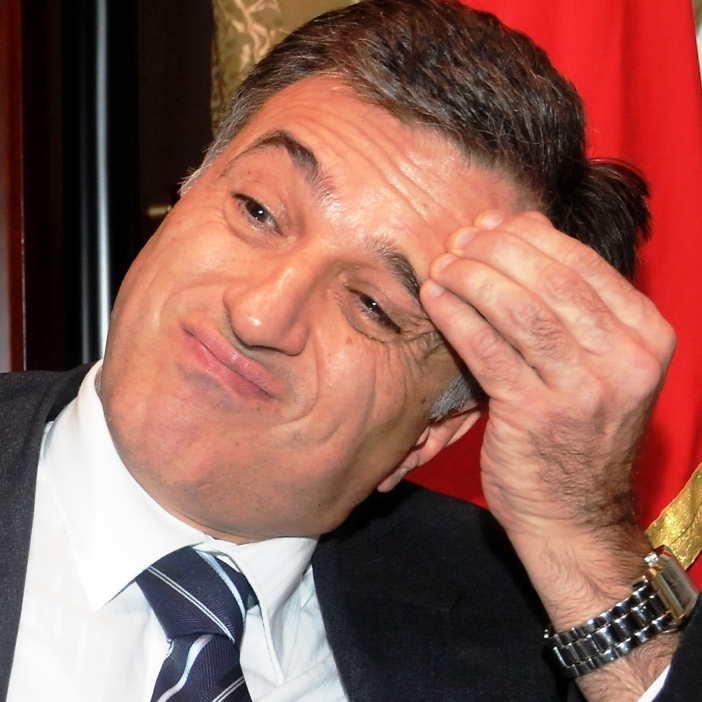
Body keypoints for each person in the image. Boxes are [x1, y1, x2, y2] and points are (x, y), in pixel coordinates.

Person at [1, 1, 699, 700]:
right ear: (189, 188)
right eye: (258, 211)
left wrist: (582, 545)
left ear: (432, 433)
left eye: (372, 306)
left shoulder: (520, 640)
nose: (260, 313)